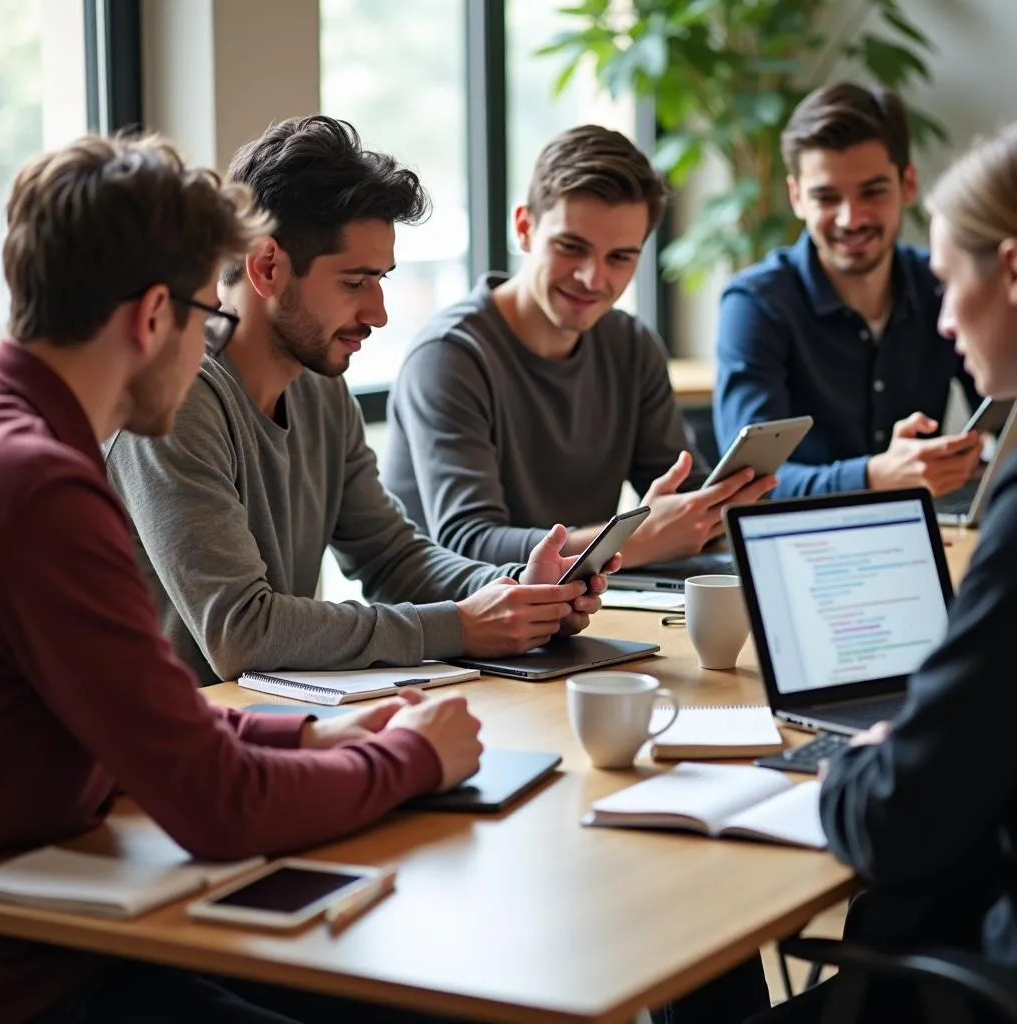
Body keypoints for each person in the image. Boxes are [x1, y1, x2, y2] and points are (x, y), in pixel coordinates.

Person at [0, 134, 485, 1023]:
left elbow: (145, 730)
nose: (211, 343)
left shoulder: (28, 448)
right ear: (152, 317)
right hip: (42, 967)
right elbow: (216, 803)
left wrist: (303, 739)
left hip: (77, 908)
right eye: (204, 319)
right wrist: (409, 756)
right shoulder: (42, 491)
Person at [106, 116, 610, 686]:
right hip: (164, 754)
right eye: (354, 282)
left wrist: (519, 592)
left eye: (381, 280)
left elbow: (392, 558)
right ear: (267, 266)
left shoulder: (321, 386)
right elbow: (241, 631)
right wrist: (461, 627)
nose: (378, 313)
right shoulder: (177, 406)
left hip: (267, 728)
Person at [752, 121, 1017, 1023]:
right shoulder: (762, 299)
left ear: (1011, 272)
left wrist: (856, 766)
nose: (943, 320)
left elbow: (901, 815)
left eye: (950, 286)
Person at [382, 124, 775, 568]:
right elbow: (468, 544)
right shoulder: (450, 356)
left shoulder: (631, 344)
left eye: (620, 257)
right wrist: (636, 541)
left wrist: (715, 510)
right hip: (459, 624)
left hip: (582, 608)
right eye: (572, 247)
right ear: (525, 228)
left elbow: (682, 495)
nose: (593, 279)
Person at [714, 83, 984, 499]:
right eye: (826, 197)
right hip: (798, 546)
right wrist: (875, 476)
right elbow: (745, 485)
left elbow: (1004, 414)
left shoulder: (940, 285)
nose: (850, 218)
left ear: (907, 184)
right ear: (796, 197)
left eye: (872, 191)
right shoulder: (756, 305)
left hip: (929, 532)